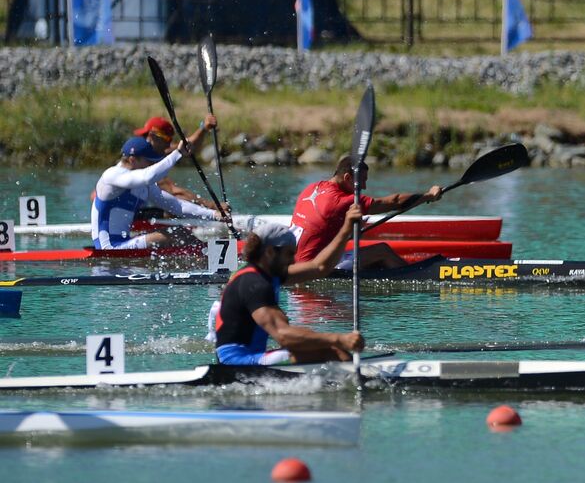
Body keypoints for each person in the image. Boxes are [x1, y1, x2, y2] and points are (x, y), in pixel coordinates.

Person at [210, 212, 366, 366]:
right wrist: (340, 339)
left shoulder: (267, 275)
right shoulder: (254, 283)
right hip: (236, 362)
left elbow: (319, 267)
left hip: (251, 356)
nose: (293, 260)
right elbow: (283, 335)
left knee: (317, 342)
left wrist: (346, 230)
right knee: (332, 351)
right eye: (289, 254)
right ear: (270, 252)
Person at [289, 154, 444, 270]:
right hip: (314, 267)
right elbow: (394, 202)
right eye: (361, 181)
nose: (363, 186)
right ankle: (413, 276)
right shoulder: (344, 201)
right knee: (382, 251)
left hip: (294, 264)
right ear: (347, 177)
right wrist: (428, 196)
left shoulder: (311, 187)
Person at [90, 136, 227, 249]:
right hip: (108, 248)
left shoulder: (144, 185)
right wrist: (178, 153)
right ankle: (206, 256)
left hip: (124, 243)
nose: (151, 165)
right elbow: (147, 176)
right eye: (148, 161)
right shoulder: (111, 175)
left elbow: (176, 205)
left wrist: (214, 214)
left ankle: (209, 254)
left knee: (181, 232)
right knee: (174, 235)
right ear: (132, 159)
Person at [132, 114, 222, 211]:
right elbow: (173, 192)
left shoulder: (157, 152)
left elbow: (188, 146)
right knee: (173, 205)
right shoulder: (141, 160)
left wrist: (203, 128)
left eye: (170, 140)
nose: (169, 144)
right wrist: (212, 206)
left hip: (137, 210)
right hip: (132, 215)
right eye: (167, 139)